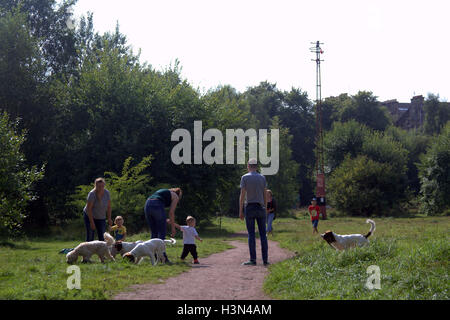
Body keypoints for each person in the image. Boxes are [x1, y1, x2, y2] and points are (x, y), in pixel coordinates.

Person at [239, 158, 269, 266]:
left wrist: (240, 211)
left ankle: (253, 259)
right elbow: (265, 194)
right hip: (261, 207)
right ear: (257, 166)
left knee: (251, 234)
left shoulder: (244, 178)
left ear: (248, 166)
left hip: (250, 207)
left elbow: (242, 196)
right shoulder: (262, 178)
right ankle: (265, 260)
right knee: (263, 235)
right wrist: (265, 208)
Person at [144, 187, 182, 263]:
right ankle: (163, 258)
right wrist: (173, 228)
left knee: (154, 233)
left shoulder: (164, 192)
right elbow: (171, 213)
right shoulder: (176, 196)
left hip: (147, 204)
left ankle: (153, 256)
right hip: (157, 205)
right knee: (162, 233)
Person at [83, 177, 113, 242]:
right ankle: (87, 251)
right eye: (99, 186)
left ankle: (102, 251)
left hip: (101, 217)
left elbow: (109, 207)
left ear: (104, 185)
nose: (101, 188)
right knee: (90, 236)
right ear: (95, 186)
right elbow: (89, 209)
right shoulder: (92, 194)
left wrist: (109, 218)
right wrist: (91, 222)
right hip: (90, 216)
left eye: (102, 186)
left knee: (103, 237)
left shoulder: (107, 193)